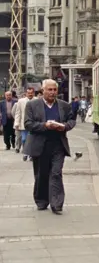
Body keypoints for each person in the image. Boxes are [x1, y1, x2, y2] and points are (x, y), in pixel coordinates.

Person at [23, 79, 76, 214]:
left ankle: (57, 204)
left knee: (56, 173)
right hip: (40, 145)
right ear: (43, 90)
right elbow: (28, 124)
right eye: (49, 90)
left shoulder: (64, 105)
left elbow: (71, 120)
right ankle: (42, 200)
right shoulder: (32, 105)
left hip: (58, 145)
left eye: (54, 90)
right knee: (41, 174)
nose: (52, 93)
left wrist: (64, 126)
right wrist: (44, 125)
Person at [13, 87, 36, 160]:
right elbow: (18, 113)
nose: (30, 94)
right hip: (24, 124)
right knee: (24, 139)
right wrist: (16, 123)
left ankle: (30, 154)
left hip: (34, 124)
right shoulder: (21, 101)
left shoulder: (37, 101)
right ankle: (26, 153)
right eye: (28, 93)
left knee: (32, 139)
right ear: (26, 93)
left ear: (33, 93)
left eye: (31, 93)